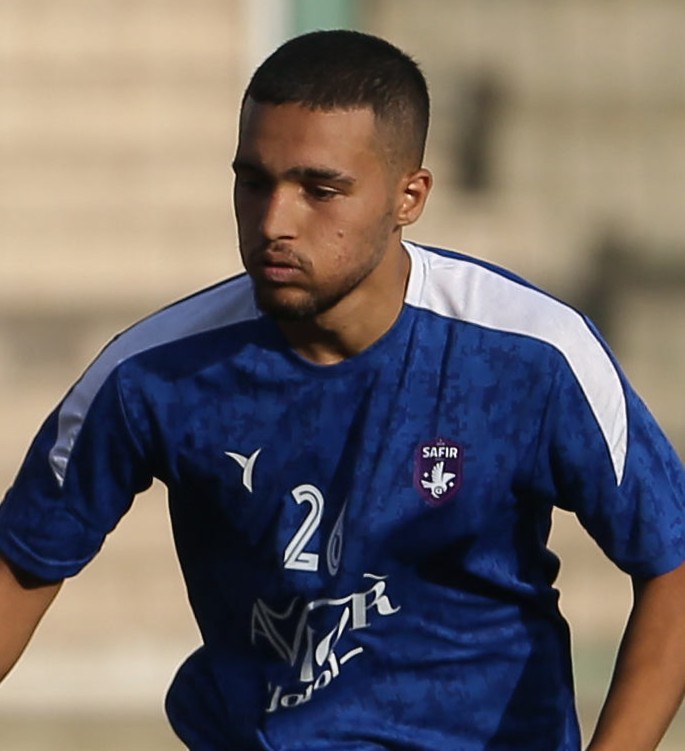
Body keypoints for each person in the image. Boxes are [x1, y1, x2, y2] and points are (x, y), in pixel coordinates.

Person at [1, 28, 684, 751]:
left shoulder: (530, 354)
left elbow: (672, 565)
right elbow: (21, 565)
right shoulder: (151, 372)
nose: (274, 222)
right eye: (253, 182)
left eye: (319, 190)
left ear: (409, 196)